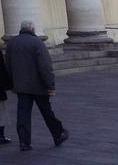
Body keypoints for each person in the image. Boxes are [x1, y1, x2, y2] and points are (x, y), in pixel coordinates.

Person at [4, 20, 69, 151]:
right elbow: (45, 66)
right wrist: (50, 86)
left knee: (23, 114)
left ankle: (24, 142)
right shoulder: (37, 43)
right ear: (32, 29)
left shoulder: (12, 43)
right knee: (47, 112)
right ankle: (58, 134)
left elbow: (8, 66)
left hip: (21, 86)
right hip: (39, 86)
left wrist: (10, 83)